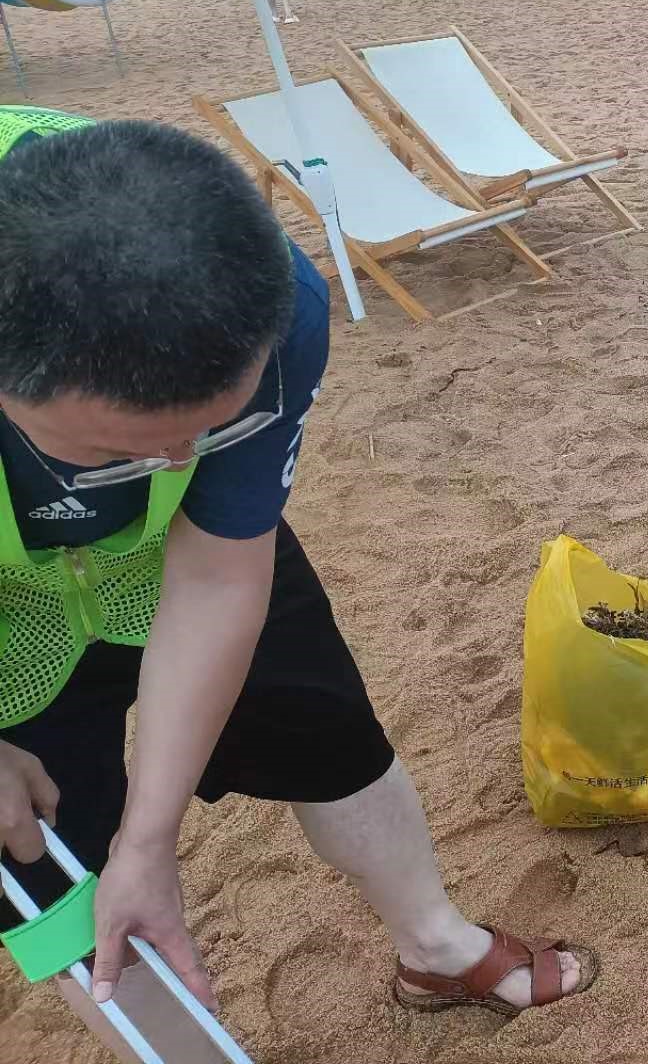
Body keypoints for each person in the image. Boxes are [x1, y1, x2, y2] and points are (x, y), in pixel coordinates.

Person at [0, 108, 595, 1018]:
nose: (173, 464)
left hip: (177, 558)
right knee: (42, 858)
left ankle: (434, 946)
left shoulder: (267, 294)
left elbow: (216, 569)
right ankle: (169, 1032)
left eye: (210, 431)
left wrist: (150, 837)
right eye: (117, 454)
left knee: (326, 734)